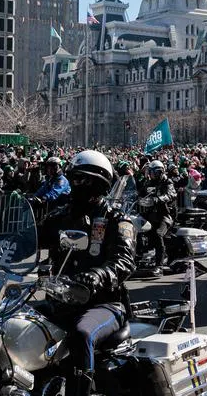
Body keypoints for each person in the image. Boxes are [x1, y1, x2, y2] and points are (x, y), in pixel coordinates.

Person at [40, 151, 136, 396]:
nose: (75, 184)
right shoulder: (60, 216)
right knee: (13, 325)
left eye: (81, 179)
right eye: (73, 178)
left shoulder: (116, 219)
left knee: (81, 334)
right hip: (60, 300)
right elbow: (30, 240)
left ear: (99, 182)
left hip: (104, 303)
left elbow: (124, 260)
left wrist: (98, 275)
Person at [138, 160, 178, 274]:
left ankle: (159, 265)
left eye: (151, 172)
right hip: (151, 214)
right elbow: (141, 192)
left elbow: (171, 194)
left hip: (165, 214)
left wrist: (157, 199)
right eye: (149, 172)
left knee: (157, 234)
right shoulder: (149, 183)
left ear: (158, 172)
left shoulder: (167, 182)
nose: (149, 174)